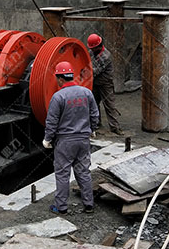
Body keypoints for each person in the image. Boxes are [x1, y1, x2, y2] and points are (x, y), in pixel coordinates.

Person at [43, 61, 99, 214]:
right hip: (83, 139)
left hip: (65, 142)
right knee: (84, 172)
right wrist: (93, 129)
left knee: (62, 174)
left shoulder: (58, 97)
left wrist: (47, 138)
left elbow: (52, 121)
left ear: (60, 79)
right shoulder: (86, 93)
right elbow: (94, 113)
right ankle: (89, 204)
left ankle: (61, 207)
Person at [87, 34, 123, 135]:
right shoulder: (92, 52)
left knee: (109, 105)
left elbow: (94, 71)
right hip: (95, 82)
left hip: (105, 84)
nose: (91, 50)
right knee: (93, 103)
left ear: (98, 46)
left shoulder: (105, 56)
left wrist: (82, 71)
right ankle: (96, 123)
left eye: (93, 48)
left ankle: (115, 127)